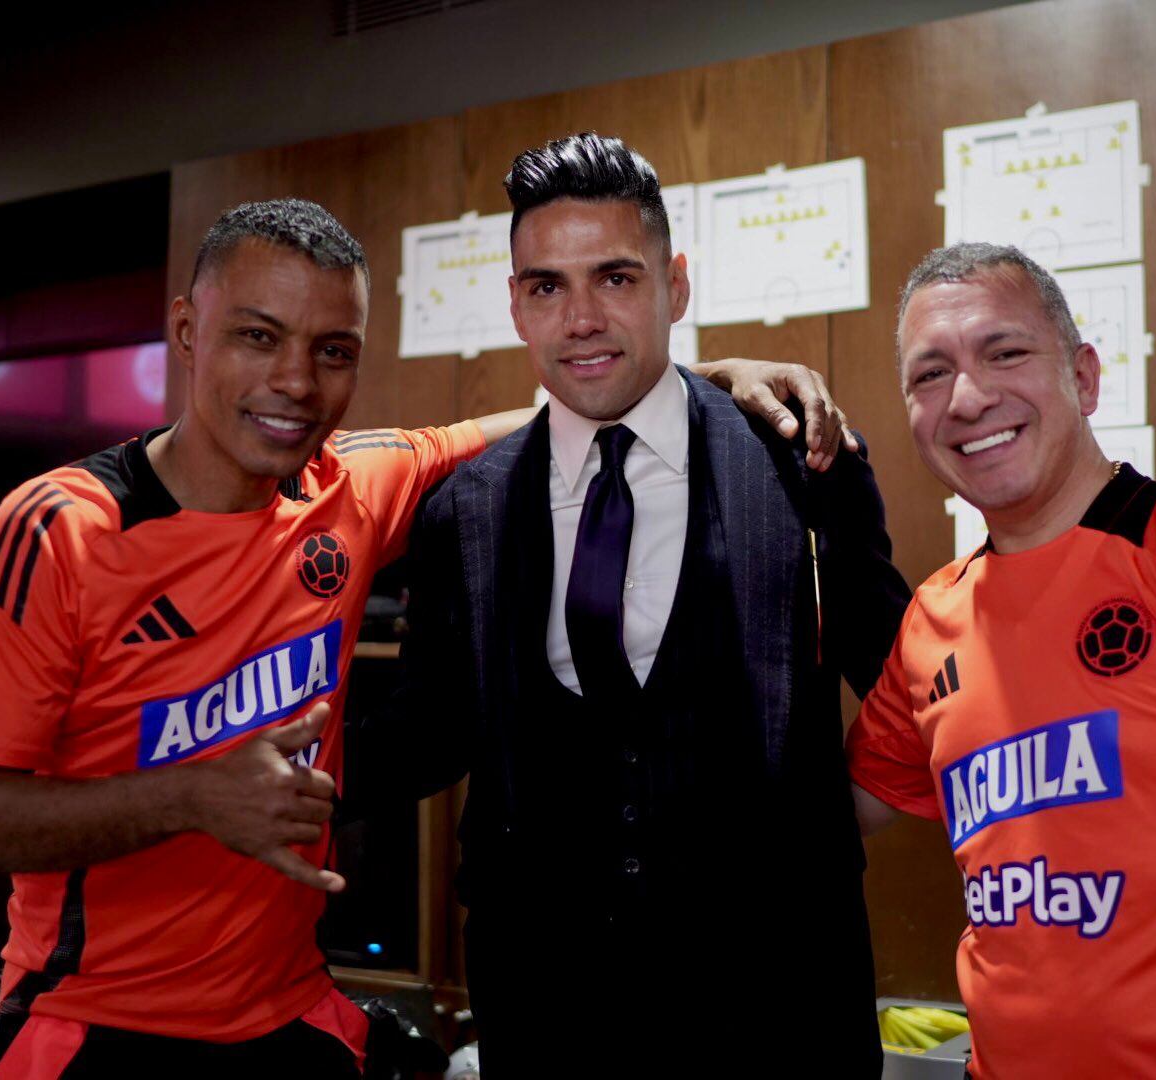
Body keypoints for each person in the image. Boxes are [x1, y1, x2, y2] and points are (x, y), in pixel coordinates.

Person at [0, 197, 857, 1077]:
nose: (295, 382)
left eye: (333, 351)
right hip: (96, 1023)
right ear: (186, 328)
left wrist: (705, 376)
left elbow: (575, 406)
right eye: (257, 336)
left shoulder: (355, 483)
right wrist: (191, 798)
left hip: (291, 1015)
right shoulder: (61, 528)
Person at [374, 133, 912, 1077]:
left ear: (677, 284)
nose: (581, 318)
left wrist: (840, 805)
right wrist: (241, 772)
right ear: (515, 304)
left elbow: (912, 677)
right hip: (549, 1012)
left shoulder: (804, 465)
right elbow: (424, 736)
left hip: (781, 1008)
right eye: (547, 287)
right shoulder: (466, 510)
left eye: (615, 278)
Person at [846, 242, 1156, 1079]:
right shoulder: (933, 618)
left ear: (1085, 378)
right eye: (930, 375)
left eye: (1006, 352)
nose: (968, 396)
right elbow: (820, 817)